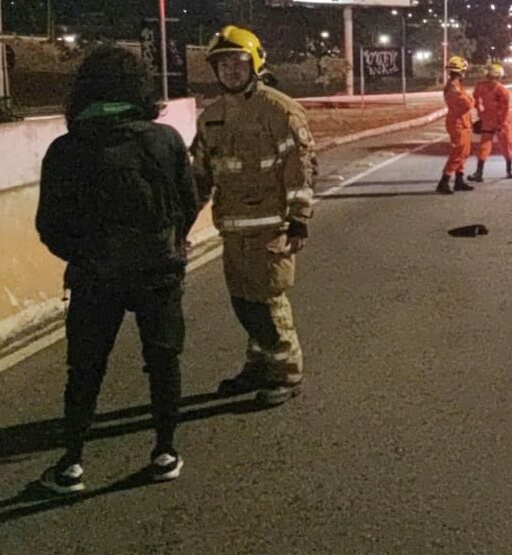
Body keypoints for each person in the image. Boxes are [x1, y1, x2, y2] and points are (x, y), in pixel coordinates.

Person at [35, 46, 198, 494]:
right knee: (163, 362)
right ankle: (165, 452)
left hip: (94, 277)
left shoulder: (66, 149)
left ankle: (71, 464)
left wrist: (86, 256)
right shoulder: (164, 140)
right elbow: (188, 203)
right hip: (159, 272)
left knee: (85, 370)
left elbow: (48, 224)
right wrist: (166, 243)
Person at [191, 26, 316, 407]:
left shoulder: (279, 111)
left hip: (271, 230)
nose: (230, 71)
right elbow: (200, 174)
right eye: (223, 64)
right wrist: (180, 219)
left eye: (238, 62)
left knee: (267, 304)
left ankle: (287, 374)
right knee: (245, 303)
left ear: (255, 63)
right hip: (233, 232)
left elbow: (300, 167)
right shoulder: (211, 118)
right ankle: (259, 365)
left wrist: (299, 218)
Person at [468, 62, 512, 181]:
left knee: (485, 145)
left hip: (488, 119)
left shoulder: (480, 86)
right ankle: (509, 170)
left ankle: (479, 173)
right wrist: (501, 124)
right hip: (502, 122)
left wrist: (481, 113)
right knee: (506, 145)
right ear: (499, 76)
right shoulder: (503, 90)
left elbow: (476, 100)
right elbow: (505, 109)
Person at [438, 56, 475, 194]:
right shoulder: (453, 87)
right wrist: (471, 101)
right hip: (457, 123)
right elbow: (467, 104)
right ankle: (444, 180)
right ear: (460, 71)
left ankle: (459, 180)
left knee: (464, 152)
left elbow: (468, 102)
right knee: (458, 152)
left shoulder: (458, 85)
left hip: (462, 123)